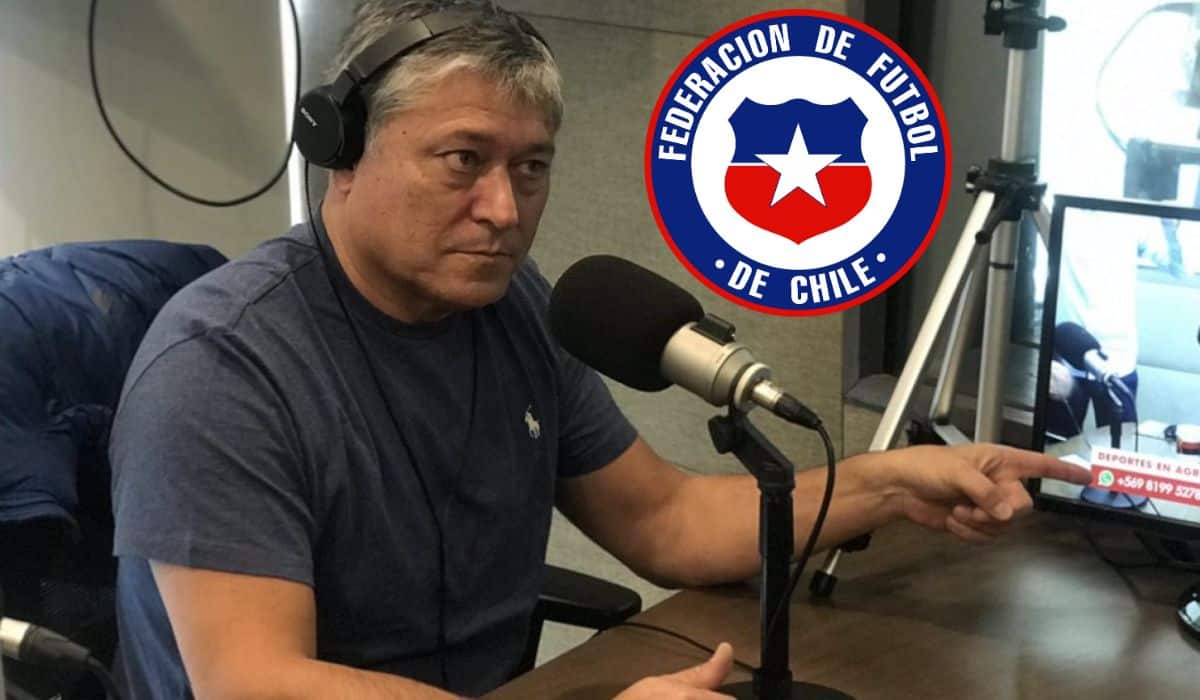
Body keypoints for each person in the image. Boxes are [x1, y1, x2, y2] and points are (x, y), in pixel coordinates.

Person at [108, 1, 1093, 698]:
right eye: (464, 160)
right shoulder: (221, 367)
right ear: (344, 148)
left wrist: (891, 483)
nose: (505, 209)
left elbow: (664, 521)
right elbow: (257, 683)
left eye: (531, 167)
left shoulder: (515, 309)